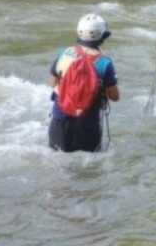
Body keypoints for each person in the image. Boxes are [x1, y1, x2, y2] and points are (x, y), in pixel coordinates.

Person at [48, 13, 120, 152]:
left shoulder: (65, 53)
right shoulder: (105, 62)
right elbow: (115, 97)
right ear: (102, 37)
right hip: (88, 123)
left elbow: (52, 83)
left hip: (60, 119)